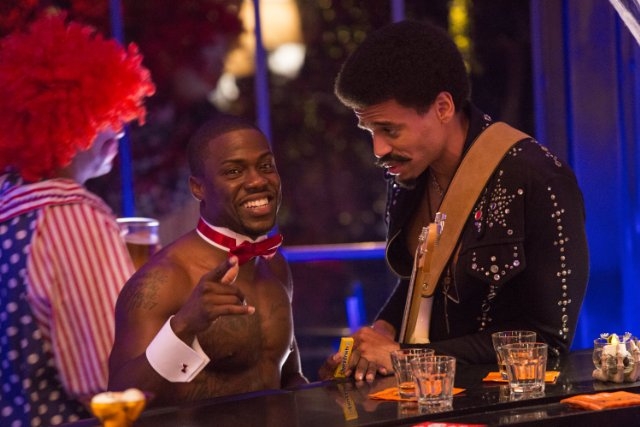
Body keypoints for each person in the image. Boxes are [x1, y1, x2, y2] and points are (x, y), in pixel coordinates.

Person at [319, 20, 589, 382]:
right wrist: (378, 335)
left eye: (389, 130)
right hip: (427, 395)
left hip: (512, 403)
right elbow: (426, 281)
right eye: (370, 131)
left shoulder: (538, 179)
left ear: (443, 107)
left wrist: (403, 356)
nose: (378, 149)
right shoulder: (410, 171)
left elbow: (548, 342)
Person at [0, 12, 155, 426]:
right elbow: (111, 384)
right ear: (70, 123)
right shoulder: (74, 218)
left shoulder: (10, 212)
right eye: (107, 117)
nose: (119, 131)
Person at [108, 114, 308, 406]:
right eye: (234, 172)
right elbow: (120, 402)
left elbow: (287, 378)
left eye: (266, 166)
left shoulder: (274, 264)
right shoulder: (164, 278)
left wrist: (331, 385)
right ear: (198, 188)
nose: (257, 181)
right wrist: (183, 325)